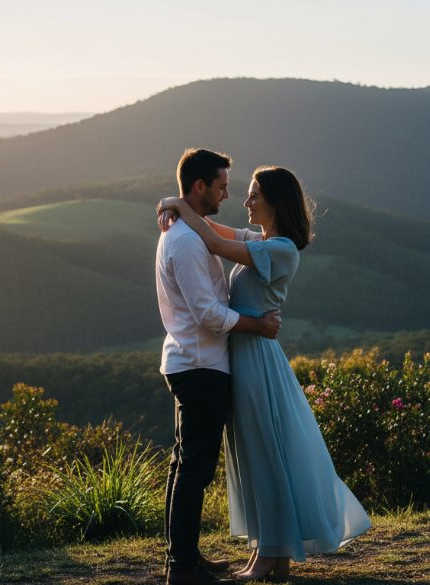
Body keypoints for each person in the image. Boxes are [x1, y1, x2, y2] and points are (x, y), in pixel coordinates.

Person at [158, 166, 371, 582]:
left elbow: (214, 241)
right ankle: (270, 553)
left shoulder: (281, 249)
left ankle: (274, 553)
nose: (246, 201)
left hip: (256, 360)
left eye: (254, 194)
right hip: (243, 356)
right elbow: (214, 227)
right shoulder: (261, 241)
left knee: (266, 455)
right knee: (255, 456)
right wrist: (176, 205)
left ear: (274, 201)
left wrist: (180, 206)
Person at [156, 148, 283, 585]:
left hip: (195, 361)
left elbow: (230, 236)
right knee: (193, 467)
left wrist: (175, 205)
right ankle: (183, 568)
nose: (227, 194)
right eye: (222, 186)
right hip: (199, 364)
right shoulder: (187, 242)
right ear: (199, 187)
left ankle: (184, 559)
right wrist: (259, 324)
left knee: (186, 464)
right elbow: (210, 315)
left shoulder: (189, 231)